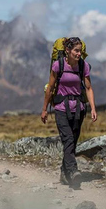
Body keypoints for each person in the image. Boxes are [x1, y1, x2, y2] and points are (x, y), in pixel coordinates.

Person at [40, 37, 97, 187]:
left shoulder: (83, 66)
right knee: (68, 139)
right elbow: (50, 88)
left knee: (72, 142)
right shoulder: (58, 66)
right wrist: (45, 109)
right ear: (67, 51)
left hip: (79, 109)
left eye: (80, 51)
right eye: (76, 51)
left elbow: (89, 88)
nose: (79, 54)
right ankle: (73, 171)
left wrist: (93, 108)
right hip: (61, 109)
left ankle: (64, 173)